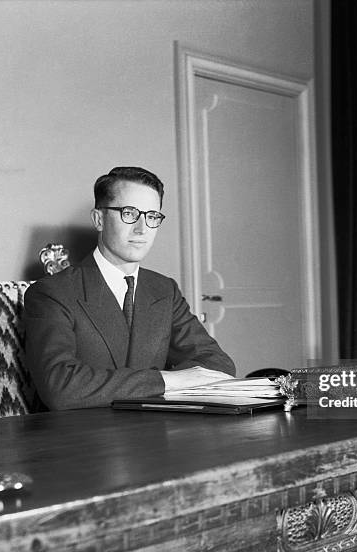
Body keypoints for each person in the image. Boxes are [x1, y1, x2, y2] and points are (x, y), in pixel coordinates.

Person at [24, 166, 236, 410]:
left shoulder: (164, 290)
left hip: (153, 433)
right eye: (129, 213)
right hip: (81, 439)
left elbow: (219, 364)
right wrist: (167, 380)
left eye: (152, 216)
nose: (142, 229)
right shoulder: (53, 292)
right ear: (99, 219)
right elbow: (60, 387)